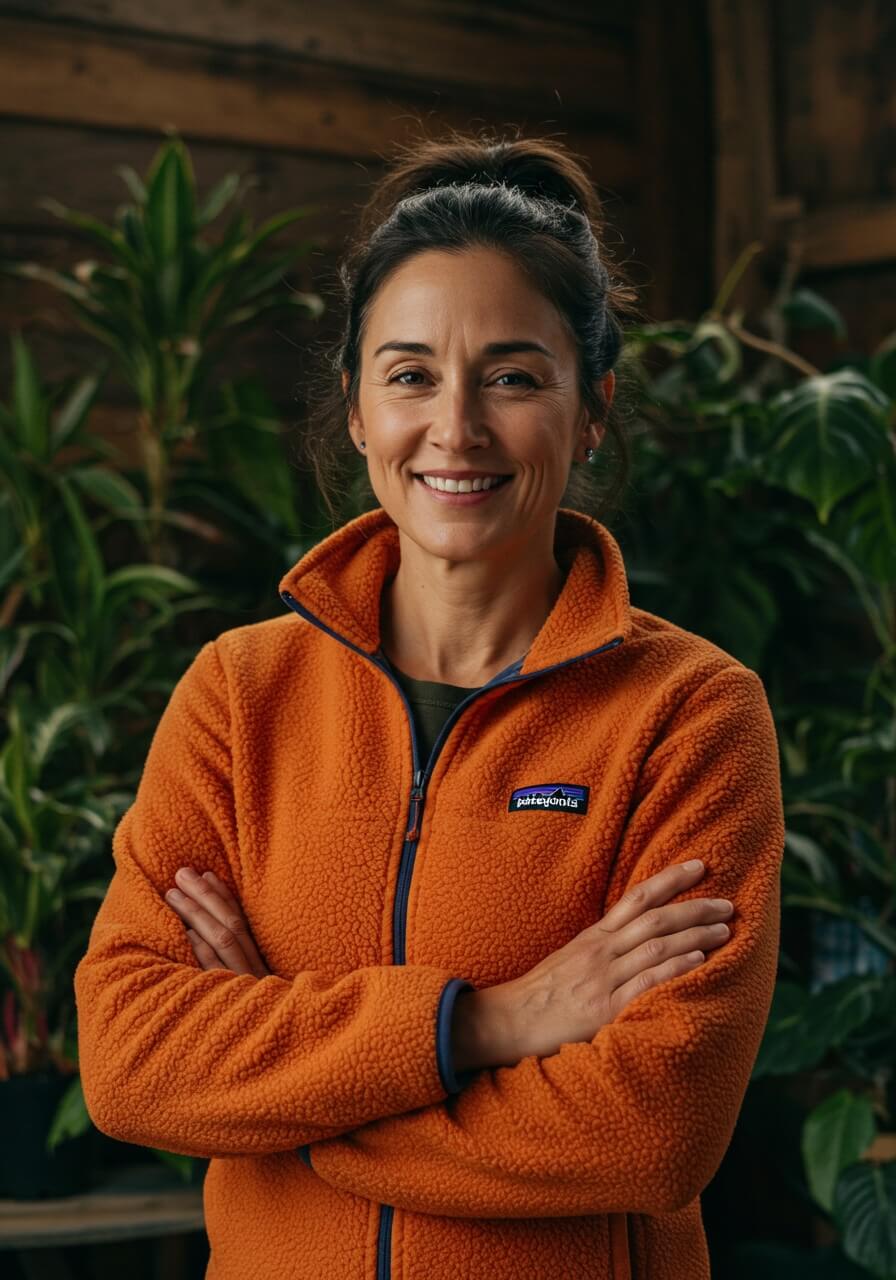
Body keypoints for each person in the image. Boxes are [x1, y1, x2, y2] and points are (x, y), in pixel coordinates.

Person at [74, 130, 785, 1280]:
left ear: (590, 406)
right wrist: (486, 1023)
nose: (453, 428)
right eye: (408, 374)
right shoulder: (237, 693)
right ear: (356, 409)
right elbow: (129, 1059)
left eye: (510, 375)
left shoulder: (688, 714)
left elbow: (650, 1132)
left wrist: (294, 1097)